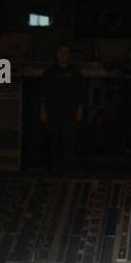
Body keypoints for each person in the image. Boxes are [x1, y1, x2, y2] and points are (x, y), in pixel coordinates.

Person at [39, 44, 83, 173]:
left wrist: (80, 110)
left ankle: (69, 169)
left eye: (66, 53)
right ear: (57, 54)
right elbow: (43, 93)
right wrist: (42, 110)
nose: (63, 55)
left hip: (70, 112)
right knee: (54, 140)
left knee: (69, 140)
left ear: (69, 55)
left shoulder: (75, 72)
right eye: (61, 52)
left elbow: (80, 93)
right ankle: (54, 169)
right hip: (53, 112)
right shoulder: (50, 72)